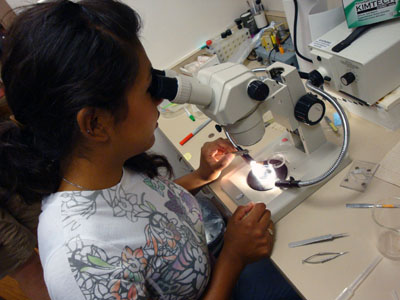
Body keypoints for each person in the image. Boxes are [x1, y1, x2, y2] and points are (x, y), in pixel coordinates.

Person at [0, 0, 298, 299]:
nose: (159, 99)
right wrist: (234, 258)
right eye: (147, 88)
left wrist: (201, 175)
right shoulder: (85, 267)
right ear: (95, 123)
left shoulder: (107, 167)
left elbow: (146, 217)